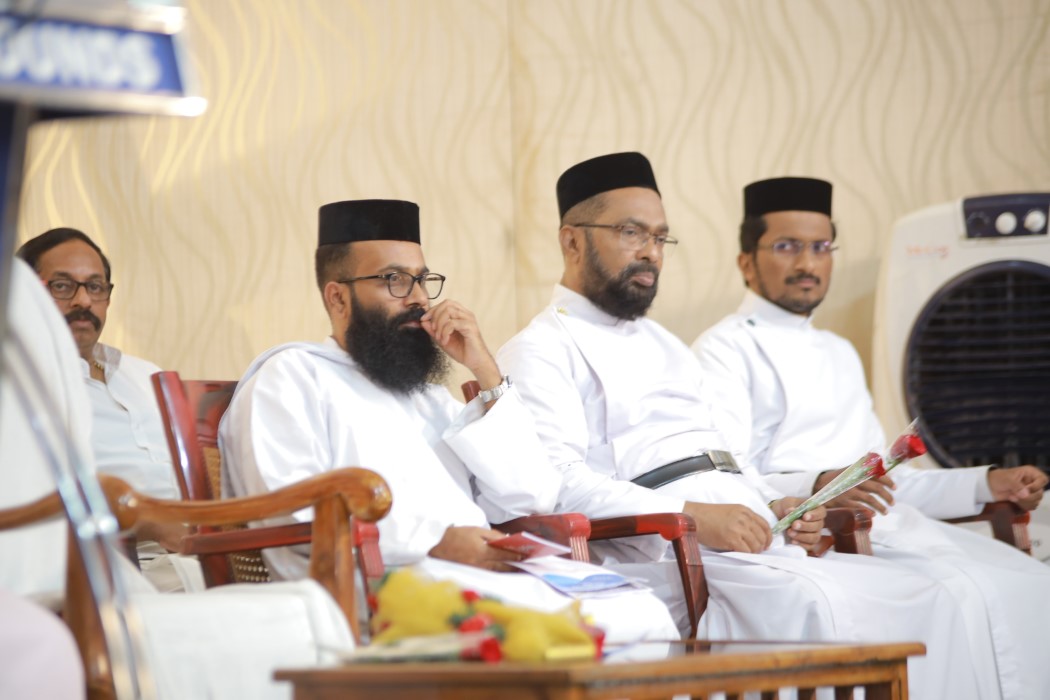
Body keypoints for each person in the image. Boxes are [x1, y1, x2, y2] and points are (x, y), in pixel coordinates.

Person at [497, 152, 992, 699]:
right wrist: (696, 517)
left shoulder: (666, 344)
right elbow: (560, 486)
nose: (651, 252)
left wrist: (779, 506)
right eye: (631, 233)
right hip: (661, 546)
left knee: (929, 597)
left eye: (660, 237)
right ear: (572, 241)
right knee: (813, 604)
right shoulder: (540, 349)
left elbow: (723, 459)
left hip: (738, 529)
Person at [219, 198, 679, 643]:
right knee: (584, 625)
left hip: (468, 575)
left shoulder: (427, 398)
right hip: (375, 593)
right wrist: (435, 543)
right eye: (395, 281)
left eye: (422, 281)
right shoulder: (290, 377)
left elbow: (533, 494)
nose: (419, 300)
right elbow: (291, 512)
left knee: (640, 611)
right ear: (338, 298)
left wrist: (484, 369)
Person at [692, 175, 1050, 700]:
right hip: (814, 537)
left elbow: (886, 480)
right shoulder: (722, 349)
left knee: (1030, 584)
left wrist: (987, 483)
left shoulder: (839, 352)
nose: (808, 263)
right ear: (747, 261)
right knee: (953, 598)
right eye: (787, 246)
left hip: (891, 528)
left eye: (821, 247)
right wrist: (820, 484)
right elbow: (730, 476)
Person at [17, 228, 187, 591]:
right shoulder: (20, 385)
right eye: (62, 286)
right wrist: (144, 521)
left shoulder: (146, 374)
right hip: (116, 563)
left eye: (95, 287)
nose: (83, 301)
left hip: (204, 544)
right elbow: (33, 492)